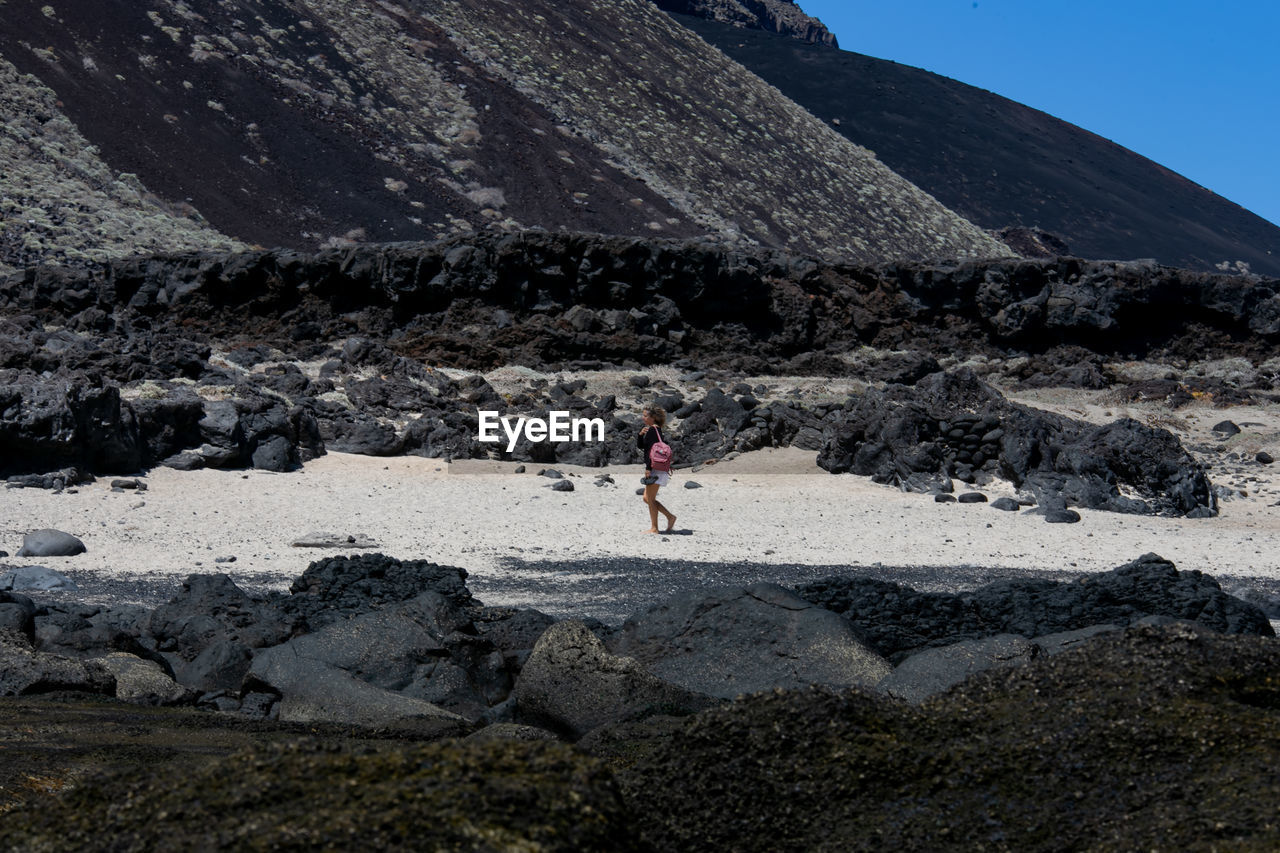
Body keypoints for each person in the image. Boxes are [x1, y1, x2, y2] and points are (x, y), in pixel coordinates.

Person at [637, 405, 677, 534]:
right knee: (647, 498)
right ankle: (670, 517)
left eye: (645, 415)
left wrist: (648, 468)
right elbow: (643, 446)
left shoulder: (653, 431)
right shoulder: (656, 430)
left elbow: (649, 451)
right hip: (659, 467)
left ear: (653, 417)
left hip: (655, 468)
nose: (643, 418)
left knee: (649, 499)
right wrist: (640, 435)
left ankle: (655, 527)